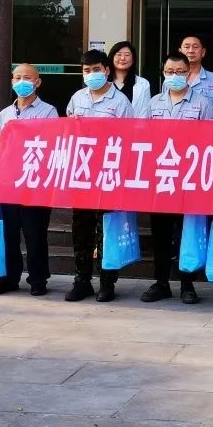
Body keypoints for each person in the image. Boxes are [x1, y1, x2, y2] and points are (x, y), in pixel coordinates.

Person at [141, 51, 213, 306]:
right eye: (170, 72)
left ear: (189, 73)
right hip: (161, 177)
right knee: (160, 233)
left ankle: (187, 284)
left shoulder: (202, 103)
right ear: (164, 74)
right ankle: (161, 283)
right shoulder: (154, 103)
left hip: (188, 178)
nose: (175, 76)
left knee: (187, 232)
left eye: (180, 72)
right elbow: (145, 138)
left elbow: (209, 140)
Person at [64, 49, 135, 303]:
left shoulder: (121, 102)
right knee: (81, 226)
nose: (91, 74)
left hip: (109, 173)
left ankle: (107, 281)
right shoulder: (77, 98)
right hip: (82, 173)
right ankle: (82, 279)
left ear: (106, 70)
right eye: (87, 71)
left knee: (107, 227)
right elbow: (68, 132)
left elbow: (129, 138)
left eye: (96, 70)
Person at [0, 63, 59, 297]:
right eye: (17, 77)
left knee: (35, 234)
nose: (21, 82)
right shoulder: (4, 114)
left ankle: (38, 279)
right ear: (11, 81)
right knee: (8, 233)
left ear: (37, 82)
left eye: (27, 77)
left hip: (35, 184)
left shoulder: (49, 112)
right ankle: (8, 278)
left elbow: (51, 146)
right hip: (7, 183)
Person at [164, 34, 213, 106]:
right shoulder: (170, 79)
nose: (191, 51)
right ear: (180, 52)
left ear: (203, 52)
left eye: (195, 47)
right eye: (187, 47)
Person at [107, 40, 151, 119]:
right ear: (112, 58)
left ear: (133, 59)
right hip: (106, 126)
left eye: (127, 55)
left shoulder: (143, 84)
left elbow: (144, 113)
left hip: (134, 126)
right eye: (118, 54)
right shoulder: (104, 82)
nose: (122, 58)